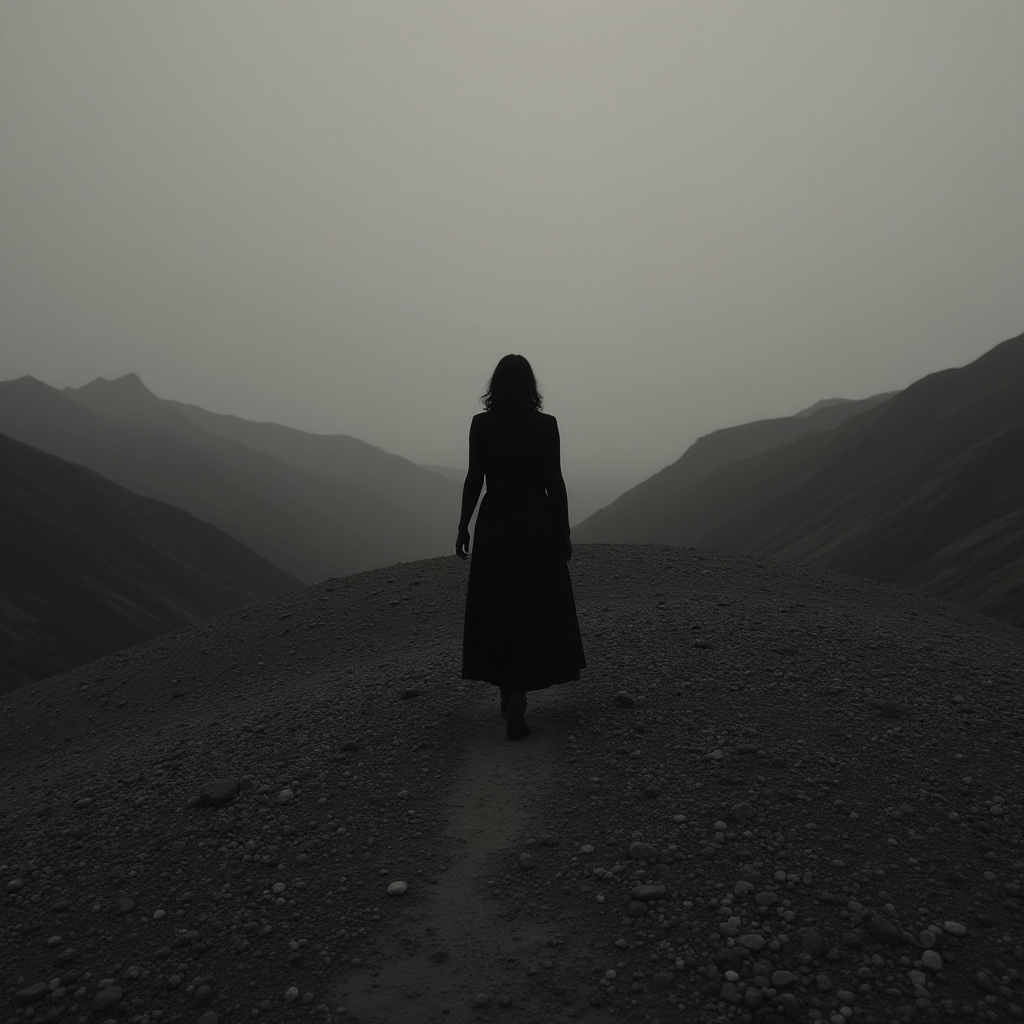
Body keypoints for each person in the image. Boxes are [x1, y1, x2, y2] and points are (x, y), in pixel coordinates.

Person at [456, 354, 586, 739]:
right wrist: (563, 530)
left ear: (494, 386)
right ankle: (519, 695)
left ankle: (504, 688)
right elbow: (555, 482)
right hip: (536, 523)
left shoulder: (481, 424)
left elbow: (474, 479)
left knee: (498, 605)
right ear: (531, 387)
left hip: (495, 523)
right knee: (533, 606)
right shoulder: (546, 425)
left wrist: (463, 524)